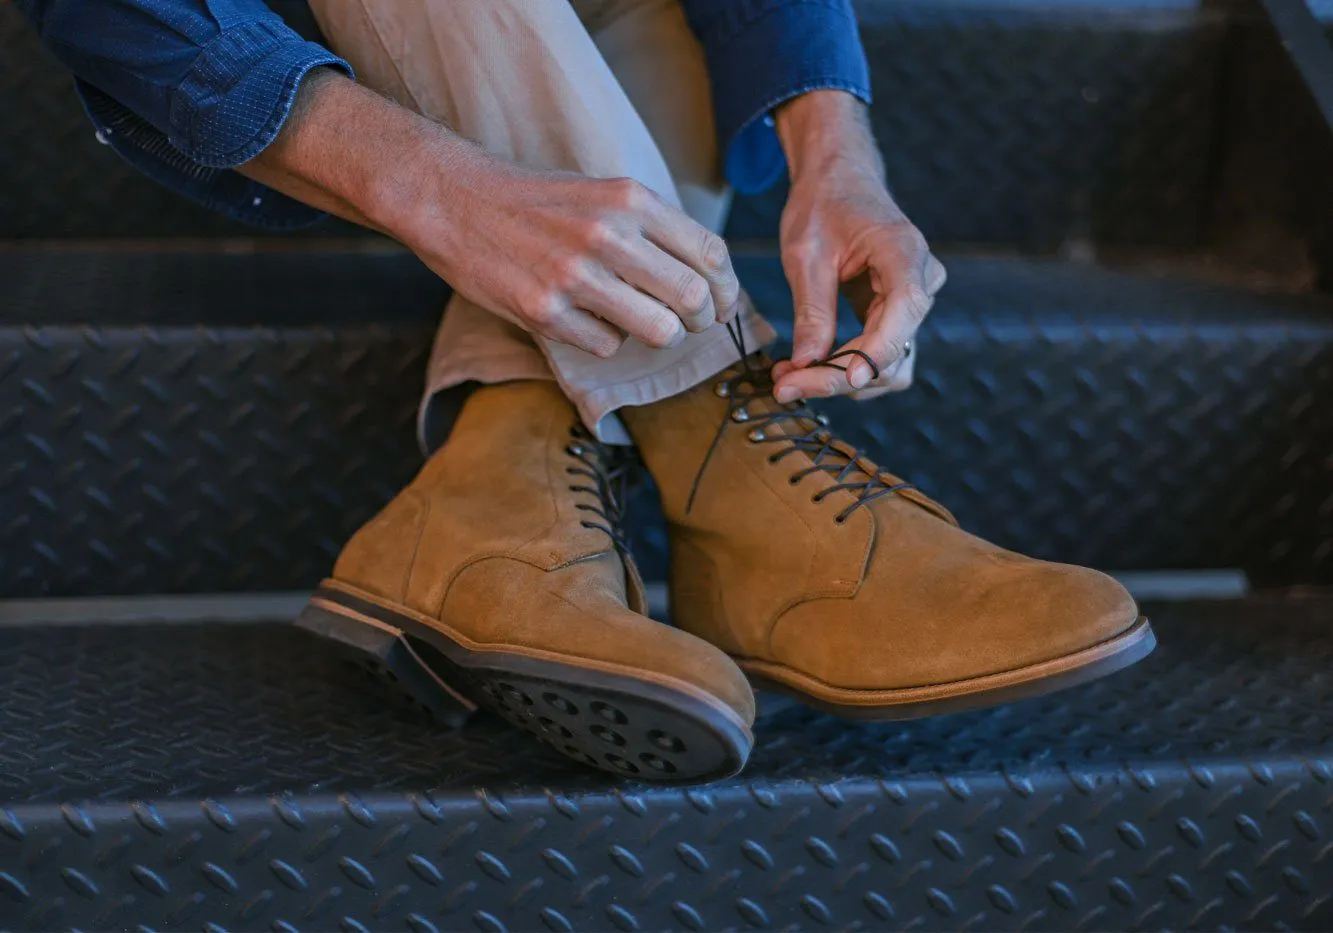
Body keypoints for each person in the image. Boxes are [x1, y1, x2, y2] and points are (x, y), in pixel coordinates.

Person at [19, 0, 1155, 782]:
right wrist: (439, 189)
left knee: (667, 16)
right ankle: (711, 428)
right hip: (262, 62)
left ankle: (491, 475)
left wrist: (834, 148)